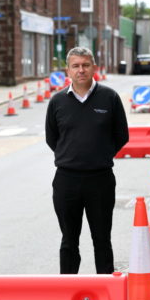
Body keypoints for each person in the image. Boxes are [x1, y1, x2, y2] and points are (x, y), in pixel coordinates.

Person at [45, 47, 128, 274]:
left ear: (94, 67)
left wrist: (99, 155)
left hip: (100, 180)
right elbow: (52, 138)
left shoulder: (109, 97)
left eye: (85, 65)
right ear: (68, 70)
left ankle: (106, 293)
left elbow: (122, 135)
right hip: (66, 180)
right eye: (76, 66)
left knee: (102, 239)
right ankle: (68, 293)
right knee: (69, 241)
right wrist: (72, 156)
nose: (81, 70)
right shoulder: (57, 102)